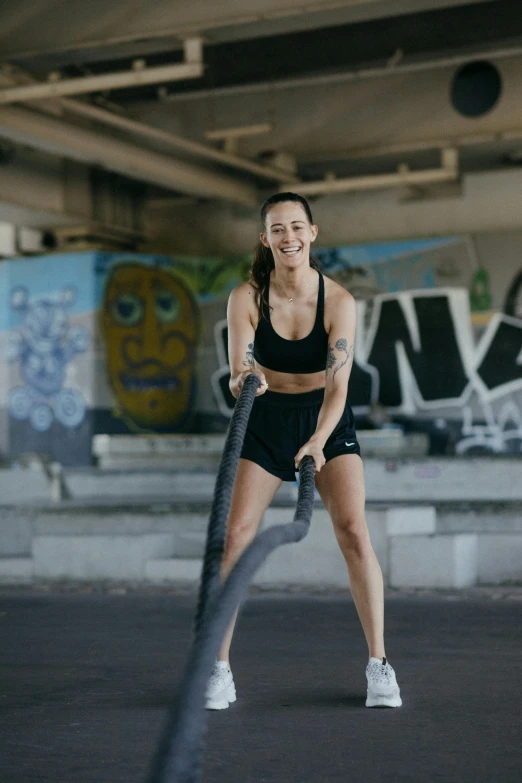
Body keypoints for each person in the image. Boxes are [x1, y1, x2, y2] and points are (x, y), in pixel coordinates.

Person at [205, 192, 402, 710]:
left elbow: (339, 390)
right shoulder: (246, 297)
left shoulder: (338, 301)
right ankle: (218, 669)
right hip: (265, 420)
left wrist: (317, 440)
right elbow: (237, 371)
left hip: (325, 419)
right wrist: (247, 378)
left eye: (297, 227)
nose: (288, 237)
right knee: (234, 539)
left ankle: (379, 664)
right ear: (265, 238)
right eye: (277, 229)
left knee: (354, 531)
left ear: (313, 233)